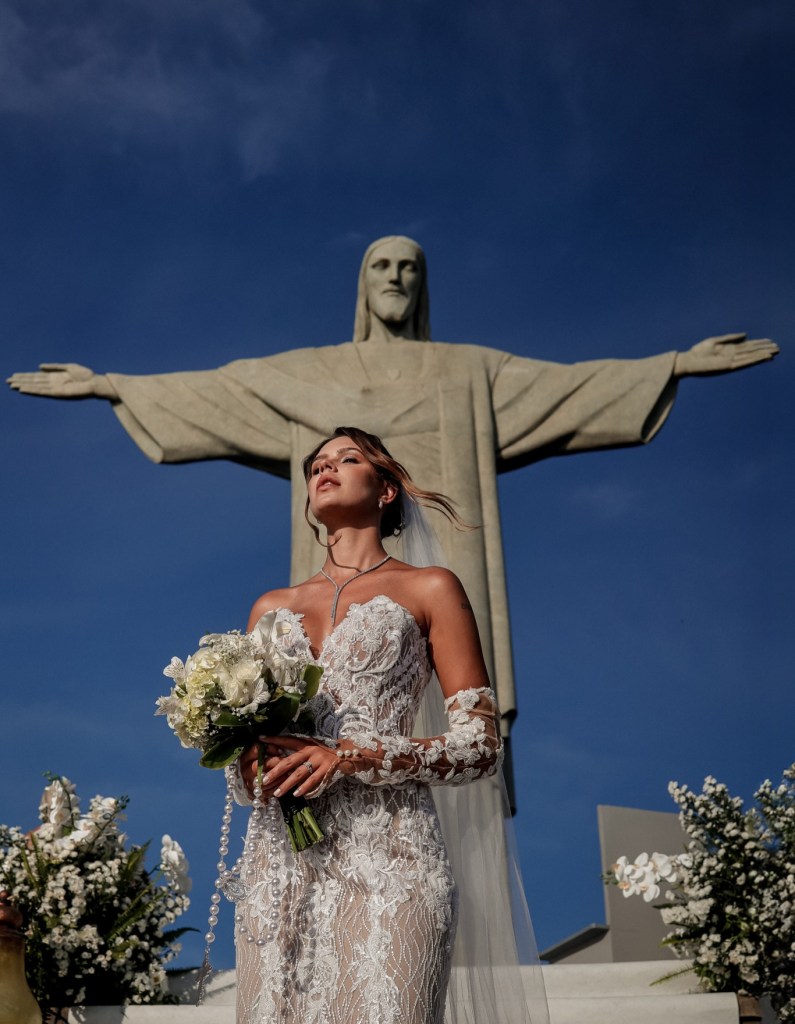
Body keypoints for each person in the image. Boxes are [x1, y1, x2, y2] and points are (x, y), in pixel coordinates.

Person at [6, 236, 779, 749]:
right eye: (382, 266)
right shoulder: (310, 375)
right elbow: (219, 395)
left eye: (410, 267)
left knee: (457, 703)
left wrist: (669, 365)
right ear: (360, 283)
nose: (396, 278)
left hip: (443, 588)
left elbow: (566, 390)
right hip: (329, 641)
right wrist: (110, 386)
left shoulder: (467, 371)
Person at [230, 425, 548, 1024]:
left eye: (347, 459)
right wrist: (254, 763)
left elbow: (480, 746)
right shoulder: (270, 609)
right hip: (283, 871)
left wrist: (348, 757)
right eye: (317, 463)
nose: (325, 468)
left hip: (394, 862)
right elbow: (248, 769)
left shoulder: (429, 588)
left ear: (386, 491)